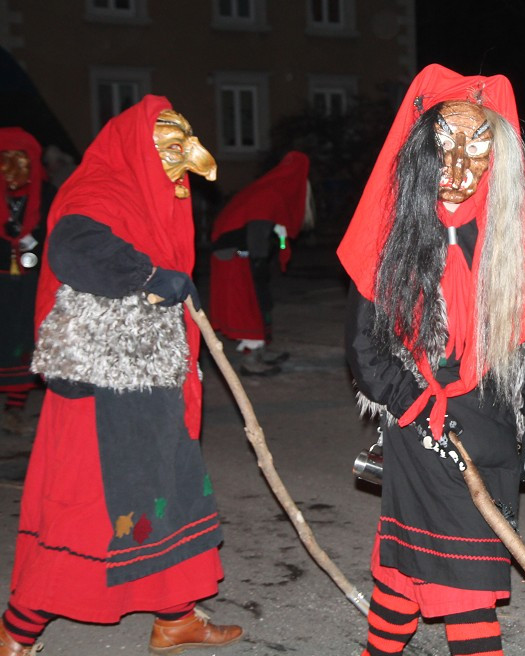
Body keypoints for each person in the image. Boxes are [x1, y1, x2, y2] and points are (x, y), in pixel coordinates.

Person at [0, 96, 243, 654]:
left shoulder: (144, 194)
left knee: (170, 493)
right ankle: (19, 629)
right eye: (166, 152)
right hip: (103, 393)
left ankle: (175, 617)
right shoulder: (101, 189)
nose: (175, 168)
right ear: (138, 148)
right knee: (92, 507)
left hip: (149, 381)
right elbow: (74, 247)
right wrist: (152, 276)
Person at [337, 64, 525, 656]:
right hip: (420, 417)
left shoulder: (518, 234)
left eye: (478, 146)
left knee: (411, 566)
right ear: (420, 151)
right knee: (467, 577)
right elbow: (366, 348)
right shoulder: (394, 233)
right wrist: (413, 408)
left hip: (490, 421)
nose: (459, 169)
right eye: (445, 146)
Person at [209, 150, 313, 376]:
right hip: (236, 255)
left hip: (242, 254)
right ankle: (250, 360)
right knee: (249, 307)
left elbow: (279, 234)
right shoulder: (271, 195)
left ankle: (259, 350)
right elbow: (258, 231)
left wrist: (281, 250)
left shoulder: (272, 192)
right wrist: (258, 263)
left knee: (259, 304)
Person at [0, 128, 54, 435]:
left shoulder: (46, 194)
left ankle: (15, 407)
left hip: (30, 283)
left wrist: (36, 239)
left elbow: (59, 226)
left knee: (25, 341)